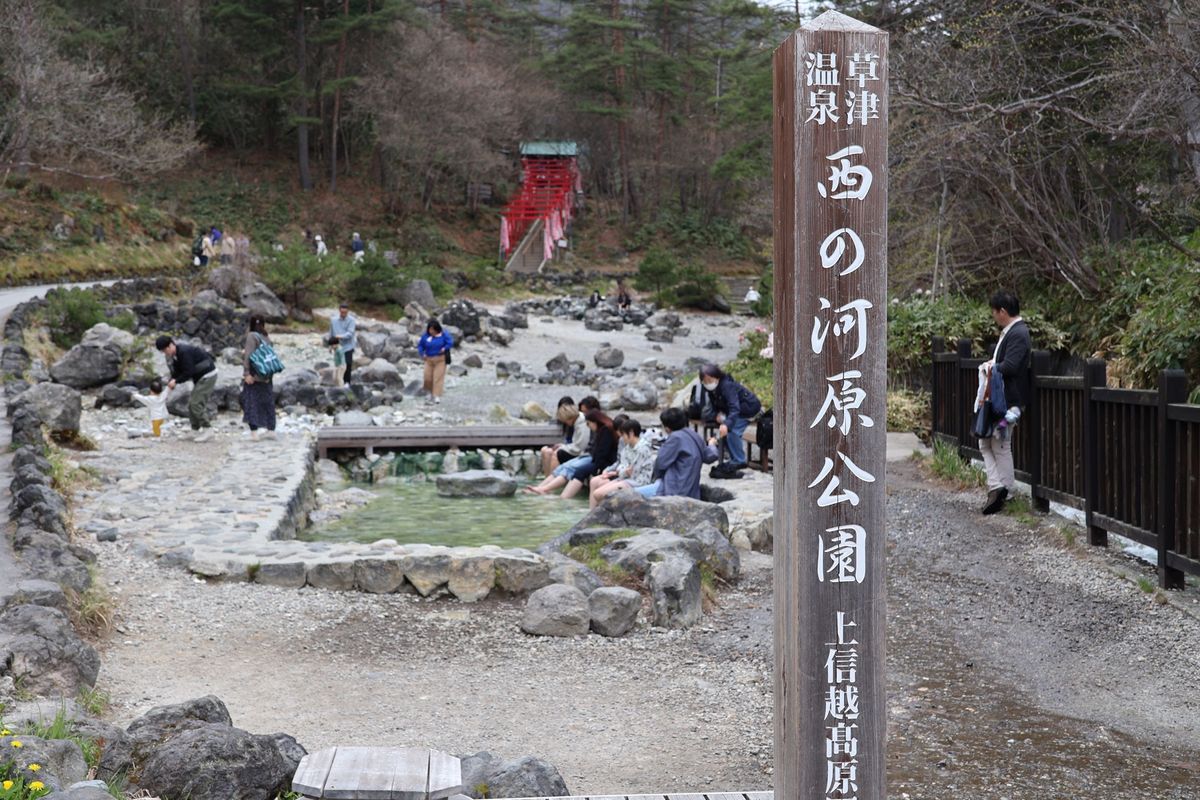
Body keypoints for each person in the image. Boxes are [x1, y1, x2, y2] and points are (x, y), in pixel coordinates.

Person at [975, 290, 1032, 515]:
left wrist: (990, 367)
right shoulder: (1013, 331)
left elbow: (1010, 366)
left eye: (994, 311)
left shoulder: (1018, 333)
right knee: (987, 443)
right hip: (1001, 399)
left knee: (999, 444)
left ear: (1002, 311)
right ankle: (998, 487)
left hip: (1008, 401)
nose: (993, 316)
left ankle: (1004, 491)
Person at [528, 409, 618, 497]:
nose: (588, 426)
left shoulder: (605, 431)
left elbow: (602, 453)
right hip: (593, 457)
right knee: (563, 467)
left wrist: (597, 469)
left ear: (594, 422)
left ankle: (547, 490)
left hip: (599, 460)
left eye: (588, 423)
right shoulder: (602, 430)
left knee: (573, 470)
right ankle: (541, 487)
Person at [697, 364, 762, 477]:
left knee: (732, 430)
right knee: (725, 428)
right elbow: (714, 405)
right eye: (705, 381)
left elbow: (734, 407)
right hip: (733, 411)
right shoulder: (709, 388)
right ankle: (732, 457)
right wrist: (716, 415)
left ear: (717, 377)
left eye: (710, 380)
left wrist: (727, 424)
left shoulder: (727, 386)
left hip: (748, 409)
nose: (708, 383)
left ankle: (739, 460)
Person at [645, 407, 718, 499]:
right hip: (692, 492)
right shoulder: (695, 435)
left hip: (672, 490)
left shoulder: (675, 438)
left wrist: (654, 479)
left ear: (667, 428)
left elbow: (660, 463)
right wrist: (711, 445)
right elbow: (710, 456)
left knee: (634, 493)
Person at [155, 335, 217, 440]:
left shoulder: (184, 352)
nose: (165, 353)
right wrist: (172, 380)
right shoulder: (176, 355)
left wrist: (176, 381)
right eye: (163, 351)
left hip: (208, 376)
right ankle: (195, 429)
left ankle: (208, 429)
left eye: (165, 350)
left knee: (195, 404)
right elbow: (178, 371)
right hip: (200, 378)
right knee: (191, 404)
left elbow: (189, 371)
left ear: (171, 345)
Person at [588, 417, 657, 508]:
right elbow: (622, 467)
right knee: (597, 493)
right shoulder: (627, 448)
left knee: (599, 494)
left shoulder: (643, 449)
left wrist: (623, 471)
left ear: (631, 433)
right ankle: (593, 513)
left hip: (638, 481)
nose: (622, 437)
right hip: (626, 478)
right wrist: (623, 471)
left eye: (623, 434)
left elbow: (633, 472)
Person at [531, 400, 591, 490]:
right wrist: (562, 446)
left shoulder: (582, 424)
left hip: (582, 453)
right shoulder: (576, 422)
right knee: (547, 451)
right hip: (575, 449)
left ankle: (550, 486)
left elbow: (579, 447)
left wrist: (563, 447)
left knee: (556, 454)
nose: (566, 423)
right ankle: (546, 482)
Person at [242, 315, 277, 439]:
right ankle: (271, 429)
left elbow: (248, 355)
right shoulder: (266, 337)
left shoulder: (252, 336)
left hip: (254, 375)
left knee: (251, 401)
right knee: (268, 402)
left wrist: (247, 373)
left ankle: (254, 432)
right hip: (266, 375)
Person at [418, 318, 454, 404]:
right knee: (427, 377)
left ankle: (436, 395)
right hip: (428, 359)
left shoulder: (444, 334)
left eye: (433, 330)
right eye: (430, 329)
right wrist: (422, 353)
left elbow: (450, 342)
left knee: (437, 378)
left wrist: (444, 348)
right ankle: (429, 392)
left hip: (440, 359)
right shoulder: (425, 336)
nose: (431, 331)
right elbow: (420, 346)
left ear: (437, 329)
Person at [329, 303, 357, 384]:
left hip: (348, 346)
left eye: (345, 312)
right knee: (339, 364)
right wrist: (330, 345)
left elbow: (350, 333)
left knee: (348, 364)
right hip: (337, 346)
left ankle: (347, 383)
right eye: (342, 312)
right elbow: (331, 333)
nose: (343, 314)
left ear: (348, 311)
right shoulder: (333, 320)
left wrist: (340, 336)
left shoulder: (351, 320)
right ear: (339, 311)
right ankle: (339, 382)